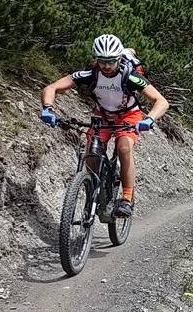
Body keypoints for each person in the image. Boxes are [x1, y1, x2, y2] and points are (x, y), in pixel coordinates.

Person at [39, 34, 169, 217]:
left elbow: (161, 101)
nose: (106, 66)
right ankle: (91, 191)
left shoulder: (130, 76)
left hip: (128, 115)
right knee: (92, 152)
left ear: (118, 58)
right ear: (96, 59)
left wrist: (149, 119)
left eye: (111, 61)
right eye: (102, 61)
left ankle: (126, 198)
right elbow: (51, 88)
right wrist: (48, 109)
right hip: (103, 116)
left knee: (124, 147)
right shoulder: (90, 73)